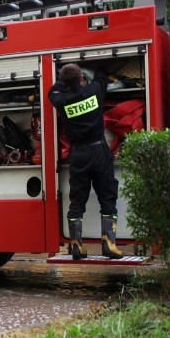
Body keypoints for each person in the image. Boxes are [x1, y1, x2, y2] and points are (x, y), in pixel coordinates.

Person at [48, 63, 123, 260]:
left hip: (78, 155)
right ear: (82, 78)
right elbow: (101, 76)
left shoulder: (60, 99)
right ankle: (109, 244)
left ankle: (76, 246)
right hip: (98, 151)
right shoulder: (94, 91)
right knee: (107, 196)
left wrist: (66, 81)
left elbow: (52, 91)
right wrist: (98, 68)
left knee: (77, 200)